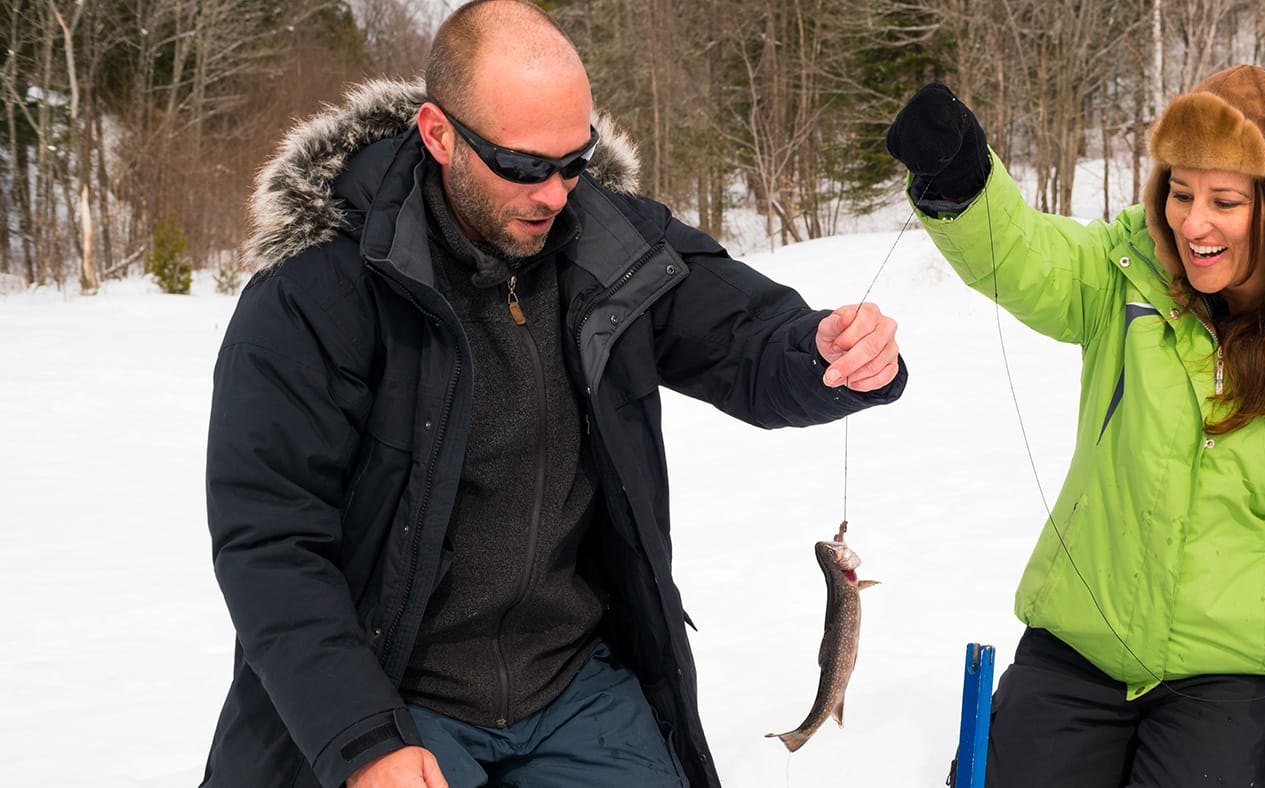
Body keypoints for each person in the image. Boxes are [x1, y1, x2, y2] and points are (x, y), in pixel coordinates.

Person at [201, 2, 905, 786]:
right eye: (525, 166)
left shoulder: (613, 245)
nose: (556, 192)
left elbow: (745, 341)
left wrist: (825, 353)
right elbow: (270, 545)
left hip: (573, 681)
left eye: (575, 159)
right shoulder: (314, 295)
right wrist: (362, 738)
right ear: (439, 136)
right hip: (394, 689)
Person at [885, 66, 1265, 787]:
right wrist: (963, 181)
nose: (1194, 223)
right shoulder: (1125, 272)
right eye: (1180, 192)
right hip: (1077, 646)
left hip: (1236, 674)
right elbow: (1026, 255)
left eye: (1224, 200)